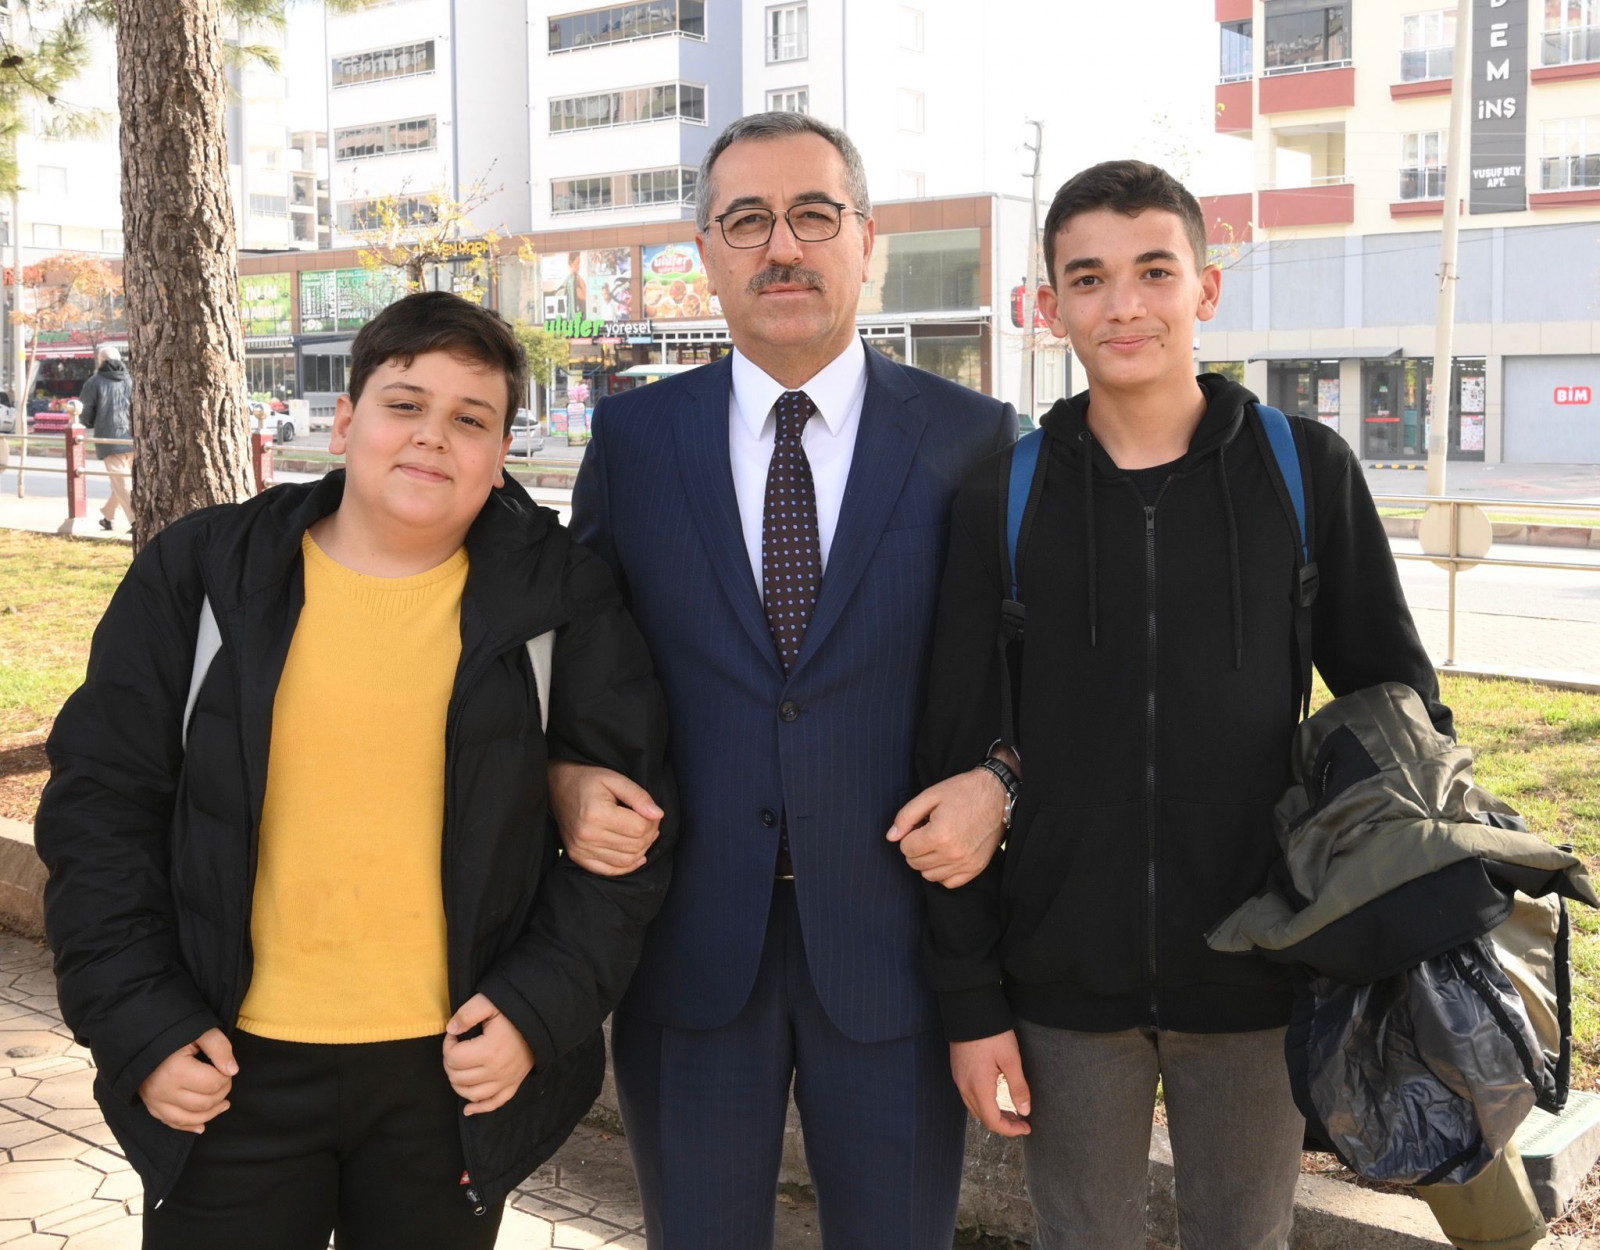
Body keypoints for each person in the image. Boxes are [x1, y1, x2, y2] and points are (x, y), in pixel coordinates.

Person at [35, 291, 676, 1248]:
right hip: (223, 1070)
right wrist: (143, 1025)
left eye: (471, 419)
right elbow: (100, 813)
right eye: (404, 404)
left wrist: (535, 1012)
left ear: (502, 451)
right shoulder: (204, 575)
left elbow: (627, 840)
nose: (433, 437)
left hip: (451, 1079)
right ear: (345, 421)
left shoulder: (559, 598)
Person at [900, 160, 1452, 1250]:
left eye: (1154, 270)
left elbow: (1400, 715)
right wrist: (971, 1004)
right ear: (1049, 305)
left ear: (1206, 286)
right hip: (1060, 981)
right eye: (1089, 278)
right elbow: (949, 764)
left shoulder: (1303, 471)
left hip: (1260, 967)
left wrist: (1383, 931)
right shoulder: (1003, 498)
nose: (1124, 305)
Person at [552, 111, 1017, 1247]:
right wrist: (563, 781)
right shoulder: (633, 440)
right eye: (747, 220)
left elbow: (1035, 674)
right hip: (689, 946)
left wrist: (1004, 783)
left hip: (899, 950)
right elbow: (575, 665)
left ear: (867, 241)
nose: (783, 247)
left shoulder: (976, 440)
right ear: (706, 254)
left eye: (814, 214)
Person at [78, 343, 134, 531]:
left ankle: (137, 521)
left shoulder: (94, 383)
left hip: (109, 439)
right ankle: (108, 515)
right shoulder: (131, 379)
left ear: (100, 361)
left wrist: (88, 423)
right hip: (134, 437)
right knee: (123, 480)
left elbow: (86, 411)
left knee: (122, 481)